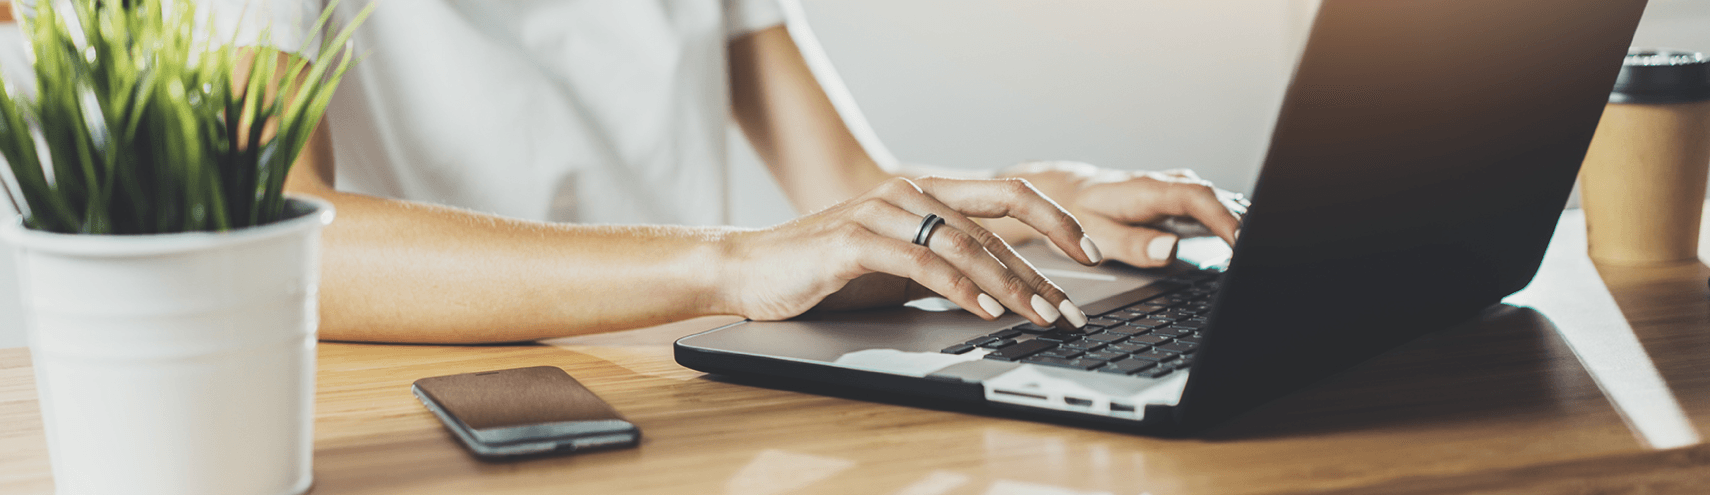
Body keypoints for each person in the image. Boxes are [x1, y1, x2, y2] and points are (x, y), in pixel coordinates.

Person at [218, 0, 1243, 344]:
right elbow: (273, 235)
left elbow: (839, 183)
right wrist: (726, 266)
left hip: (668, 387)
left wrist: (1033, 206)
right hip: (453, 412)